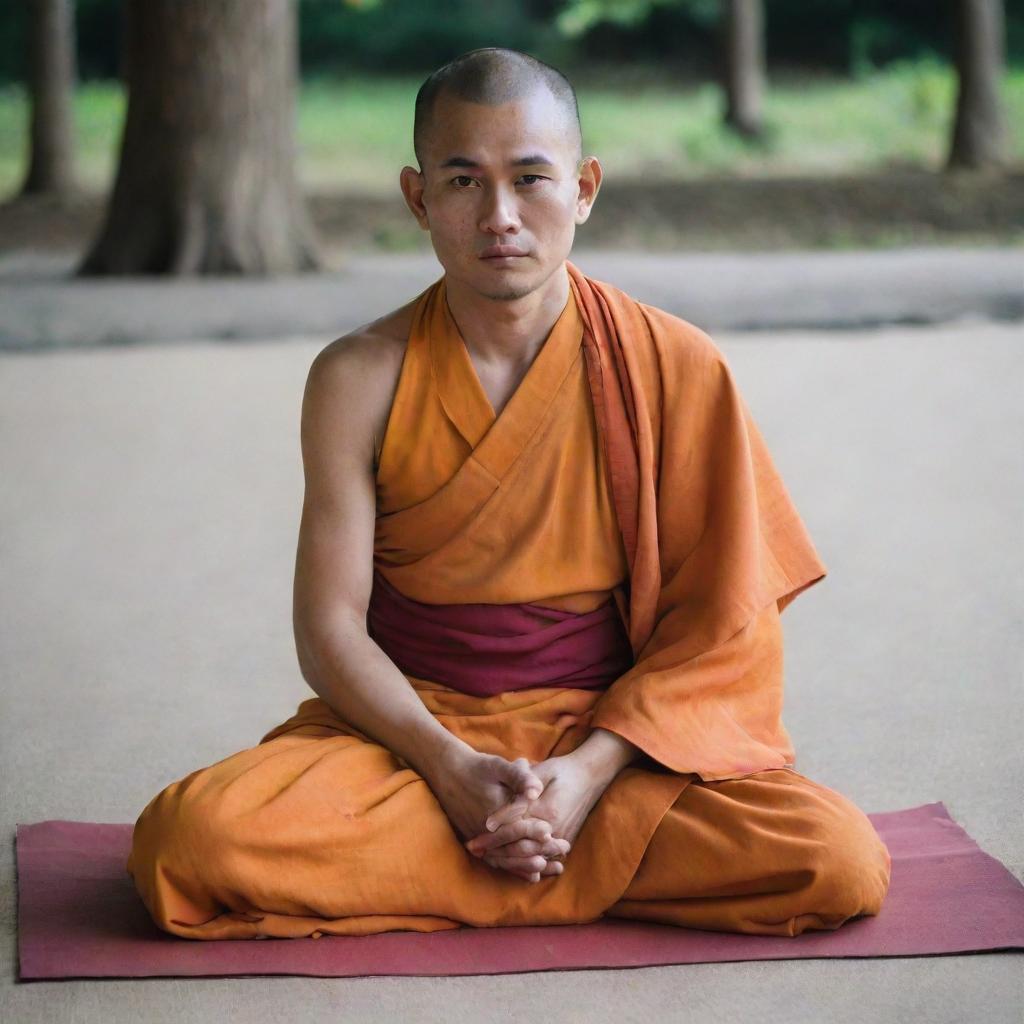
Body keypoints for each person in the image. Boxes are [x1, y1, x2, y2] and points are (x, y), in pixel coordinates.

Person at [126, 47, 891, 941]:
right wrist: (448, 766)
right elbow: (331, 629)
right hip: (408, 739)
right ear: (418, 198)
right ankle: (551, 857)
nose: (500, 216)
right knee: (190, 842)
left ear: (585, 189)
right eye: (463, 182)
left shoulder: (676, 366)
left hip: (614, 740)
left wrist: (590, 772)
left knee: (832, 858)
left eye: (531, 178)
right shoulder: (356, 378)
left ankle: (494, 853)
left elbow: (722, 629)